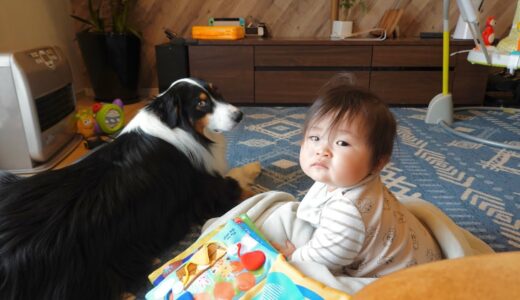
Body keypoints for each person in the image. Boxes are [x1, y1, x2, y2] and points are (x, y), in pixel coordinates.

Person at [273, 75, 442, 277]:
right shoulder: (346, 178)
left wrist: (296, 257)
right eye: (315, 137)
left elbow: (322, 261)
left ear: (378, 162)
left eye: (342, 143)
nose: (322, 150)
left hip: (399, 279)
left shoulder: (347, 213)